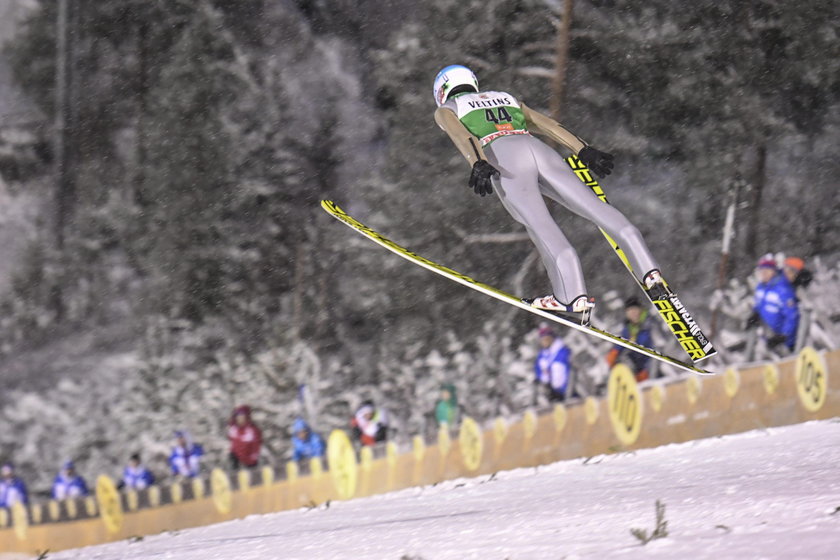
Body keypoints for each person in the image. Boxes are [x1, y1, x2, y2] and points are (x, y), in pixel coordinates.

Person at [433, 65, 670, 322]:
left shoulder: (448, 109)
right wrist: (583, 149)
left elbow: (463, 135)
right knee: (593, 205)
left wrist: (477, 162)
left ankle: (572, 297)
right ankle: (650, 270)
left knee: (539, 223)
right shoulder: (505, 97)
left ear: (442, 90)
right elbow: (548, 125)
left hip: (503, 155)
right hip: (538, 149)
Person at [747, 254, 799, 351]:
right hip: (769, 338)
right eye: (761, 271)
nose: (763, 273)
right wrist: (755, 315)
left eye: (766, 271)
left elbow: (792, 316)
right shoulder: (760, 287)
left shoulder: (783, 289)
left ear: (773, 271)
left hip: (786, 342)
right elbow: (759, 305)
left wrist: (783, 335)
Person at [606, 297, 655, 381]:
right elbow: (622, 342)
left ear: (640, 310)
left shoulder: (650, 323)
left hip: (651, 363)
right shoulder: (629, 328)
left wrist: (647, 369)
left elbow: (656, 346)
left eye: (634, 310)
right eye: (629, 311)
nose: (632, 313)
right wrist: (614, 352)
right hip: (637, 365)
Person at [534, 325, 573, 401]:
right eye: (543, 340)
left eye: (547, 339)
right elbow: (540, 374)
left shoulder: (562, 351)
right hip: (552, 394)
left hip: (567, 390)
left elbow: (572, 370)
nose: (545, 342)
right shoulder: (542, 357)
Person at [227, 405, 262, 470]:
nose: (240, 418)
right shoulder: (234, 429)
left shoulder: (252, 430)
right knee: (232, 457)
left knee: (251, 472)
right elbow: (233, 443)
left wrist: (253, 457)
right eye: (238, 416)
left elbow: (256, 444)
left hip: (249, 457)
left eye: (242, 416)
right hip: (237, 457)